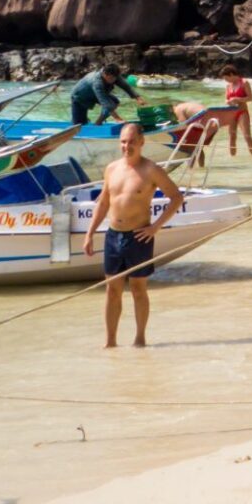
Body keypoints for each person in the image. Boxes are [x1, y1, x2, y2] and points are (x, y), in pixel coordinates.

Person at [83, 123, 185, 348]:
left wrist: (155, 227)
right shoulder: (111, 169)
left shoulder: (151, 169)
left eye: (130, 141)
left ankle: (140, 339)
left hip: (139, 237)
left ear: (141, 142)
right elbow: (104, 202)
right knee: (112, 290)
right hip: (113, 235)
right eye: (122, 141)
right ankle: (110, 342)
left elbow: (176, 197)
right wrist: (89, 234)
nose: (126, 146)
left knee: (138, 289)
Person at [70, 63, 139, 127]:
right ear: (105, 74)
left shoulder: (113, 74)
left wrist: (138, 98)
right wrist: (118, 118)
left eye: (115, 78)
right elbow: (105, 102)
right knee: (78, 125)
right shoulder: (97, 82)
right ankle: (80, 122)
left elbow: (125, 86)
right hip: (79, 97)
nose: (113, 80)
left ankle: (98, 123)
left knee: (114, 102)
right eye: (111, 78)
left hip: (93, 95)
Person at [219, 65, 252, 156]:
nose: (226, 81)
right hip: (231, 113)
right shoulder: (228, 86)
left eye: (226, 78)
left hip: (242, 112)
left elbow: (250, 98)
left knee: (247, 136)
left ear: (231, 74)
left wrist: (237, 99)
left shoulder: (244, 82)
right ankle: (233, 158)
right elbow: (226, 99)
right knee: (232, 136)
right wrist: (228, 102)